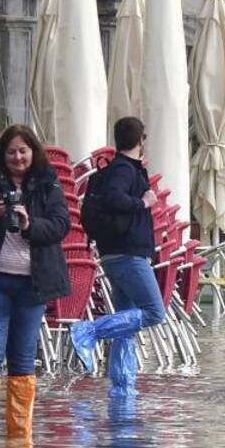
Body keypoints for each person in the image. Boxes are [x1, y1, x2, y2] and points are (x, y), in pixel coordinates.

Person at [0, 125, 71, 448]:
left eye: (23, 151)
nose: (17, 157)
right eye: (11, 152)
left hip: (33, 284)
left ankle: (20, 437)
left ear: (33, 152)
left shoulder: (48, 182)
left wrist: (31, 223)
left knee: (23, 358)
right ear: (2, 154)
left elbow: (61, 225)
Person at [70, 117, 165, 397]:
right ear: (141, 141)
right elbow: (114, 197)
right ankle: (89, 331)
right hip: (128, 255)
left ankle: (122, 387)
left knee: (126, 322)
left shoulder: (121, 168)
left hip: (117, 254)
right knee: (153, 312)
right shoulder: (123, 170)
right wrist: (143, 202)